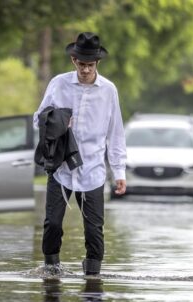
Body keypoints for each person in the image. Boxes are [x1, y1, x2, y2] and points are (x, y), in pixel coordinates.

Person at [35, 32, 127, 276]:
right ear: (73, 60)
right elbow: (38, 118)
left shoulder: (109, 91)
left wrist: (119, 171)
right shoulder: (58, 83)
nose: (85, 70)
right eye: (81, 64)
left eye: (90, 65)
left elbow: (115, 133)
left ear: (97, 63)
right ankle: (51, 272)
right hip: (61, 166)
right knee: (53, 224)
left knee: (94, 231)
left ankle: (93, 278)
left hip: (93, 169)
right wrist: (56, 121)